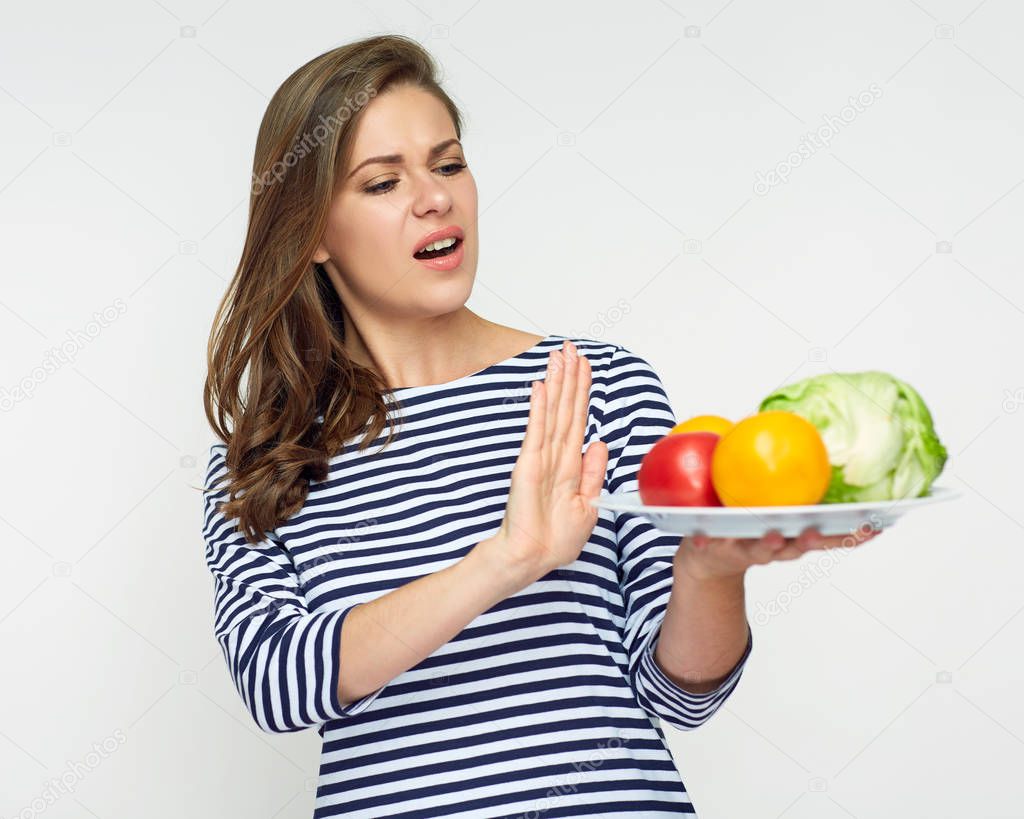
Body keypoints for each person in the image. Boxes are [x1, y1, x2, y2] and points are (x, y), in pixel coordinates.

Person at [202, 33, 875, 819]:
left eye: (448, 163)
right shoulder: (264, 461)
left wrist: (710, 570)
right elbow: (277, 684)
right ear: (313, 232)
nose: (435, 197)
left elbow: (680, 695)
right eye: (383, 181)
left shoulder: (599, 384)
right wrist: (507, 558)